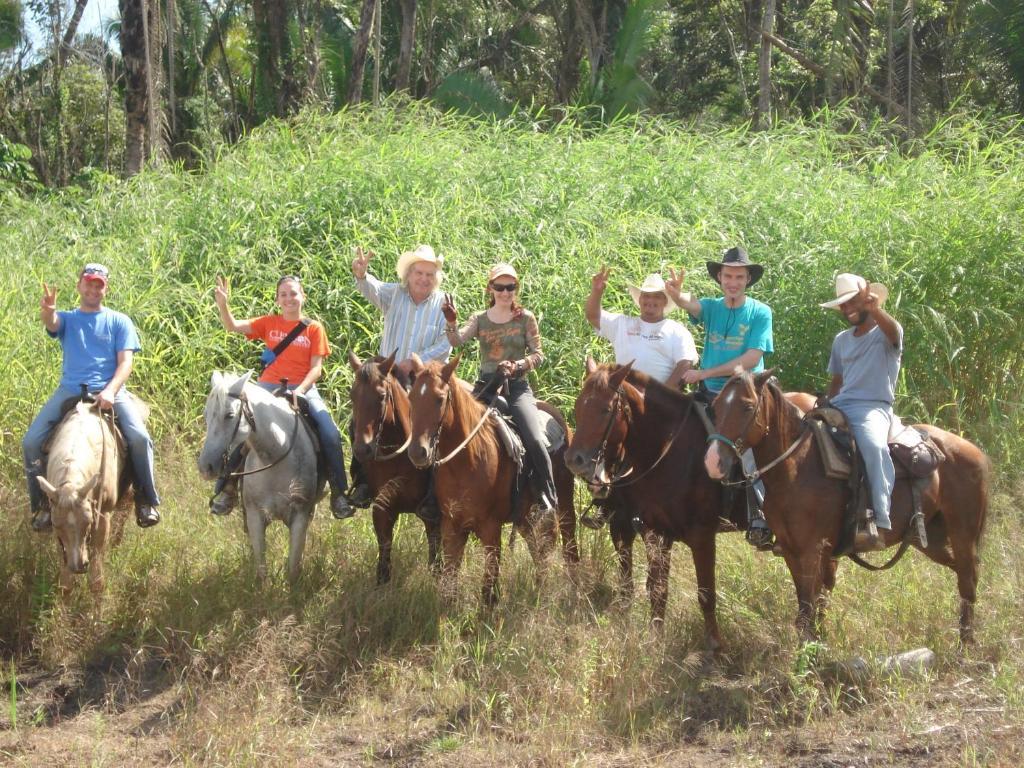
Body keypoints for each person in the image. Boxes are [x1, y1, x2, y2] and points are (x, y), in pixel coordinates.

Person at [23, 263, 161, 531]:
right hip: (70, 390)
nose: (93, 289)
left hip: (110, 391)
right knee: (31, 442)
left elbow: (126, 363)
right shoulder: (68, 319)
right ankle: (42, 505)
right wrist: (47, 311)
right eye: (89, 283)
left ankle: (146, 500)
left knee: (140, 438)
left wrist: (110, 390)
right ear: (79, 286)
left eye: (99, 284)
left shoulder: (119, 321)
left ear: (105, 289)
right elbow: (53, 323)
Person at [213, 274, 353, 520]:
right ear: (278, 299)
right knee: (241, 431)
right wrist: (223, 305)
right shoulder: (269, 323)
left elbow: (316, 368)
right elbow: (232, 326)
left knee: (330, 433)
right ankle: (227, 489)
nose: (289, 298)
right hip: (267, 387)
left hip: (303, 387)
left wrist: (300, 390)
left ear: (303, 296)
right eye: (284, 294)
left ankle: (339, 494)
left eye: (294, 293)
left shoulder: (314, 328)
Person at [666, 246, 775, 548]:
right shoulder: (713, 307)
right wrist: (675, 294)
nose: (733, 281)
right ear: (719, 277)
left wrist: (704, 373)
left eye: (739, 276)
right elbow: (692, 305)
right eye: (728, 275)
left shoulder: (760, 312)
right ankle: (667, 505)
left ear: (748, 279)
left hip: (744, 392)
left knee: (751, 448)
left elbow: (751, 359)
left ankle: (760, 516)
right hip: (710, 394)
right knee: (675, 435)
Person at [441, 263, 557, 517]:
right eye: (500, 287)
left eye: (510, 287)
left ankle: (547, 496)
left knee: (535, 438)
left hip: (516, 386)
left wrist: (517, 364)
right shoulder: (480, 319)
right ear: (490, 288)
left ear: (517, 288)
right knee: (449, 430)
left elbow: (538, 355)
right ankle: (435, 497)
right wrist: (451, 321)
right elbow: (457, 341)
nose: (505, 293)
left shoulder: (525, 318)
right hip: (486, 386)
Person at [350, 244, 451, 507]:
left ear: (435, 278)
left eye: (429, 274)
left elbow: (445, 344)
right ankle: (362, 481)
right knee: (362, 413)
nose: (424, 279)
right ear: (409, 274)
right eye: (419, 272)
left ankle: (435, 489)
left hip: (424, 377)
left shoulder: (443, 303)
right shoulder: (394, 294)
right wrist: (361, 275)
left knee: (437, 422)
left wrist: (415, 361)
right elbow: (370, 288)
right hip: (388, 374)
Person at [822, 273, 902, 551]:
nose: (847, 309)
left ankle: (880, 520)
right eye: (843, 305)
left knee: (872, 445)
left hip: (873, 407)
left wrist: (876, 309)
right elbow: (837, 381)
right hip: (841, 404)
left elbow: (894, 332)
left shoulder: (885, 334)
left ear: (867, 301)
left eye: (852, 301)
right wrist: (824, 405)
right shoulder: (841, 340)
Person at [586, 266, 698, 387]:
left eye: (657, 296)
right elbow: (593, 317)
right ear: (639, 299)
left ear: (665, 302)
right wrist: (597, 292)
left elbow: (685, 364)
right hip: (623, 399)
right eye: (646, 295)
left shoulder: (677, 330)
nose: (651, 300)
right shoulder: (621, 324)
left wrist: (662, 394)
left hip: (661, 401)